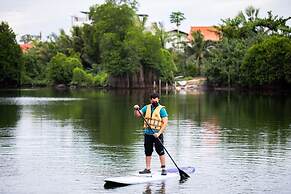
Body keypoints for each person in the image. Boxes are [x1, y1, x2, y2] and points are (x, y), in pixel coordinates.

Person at [134, 93, 168, 175]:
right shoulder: (147, 107)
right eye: (152, 99)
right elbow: (138, 115)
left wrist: (159, 133)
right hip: (147, 134)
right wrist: (136, 109)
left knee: (160, 151)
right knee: (148, 151)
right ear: (150, 100)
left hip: (157, 134)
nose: (154, 100)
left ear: (158, 99)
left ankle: (163, 169)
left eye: (155, 99)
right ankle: (148, 169)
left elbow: (165, 123)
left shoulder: (162, 109)